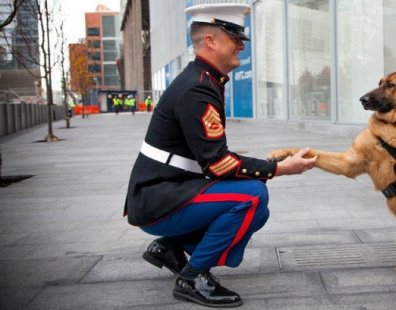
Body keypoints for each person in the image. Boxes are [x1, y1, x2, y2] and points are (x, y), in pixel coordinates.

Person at [124, 3, 317, 308]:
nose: (241, 45)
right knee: (251, 195)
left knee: (258, 210)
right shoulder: (198, 88)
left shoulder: (204, 80)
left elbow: (210, 156)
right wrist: (279, 168)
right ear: (211, 42)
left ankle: (170, 246)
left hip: (163, 190)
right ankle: (192, 277)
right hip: (156, 199)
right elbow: (218, 164)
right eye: (234, 38)